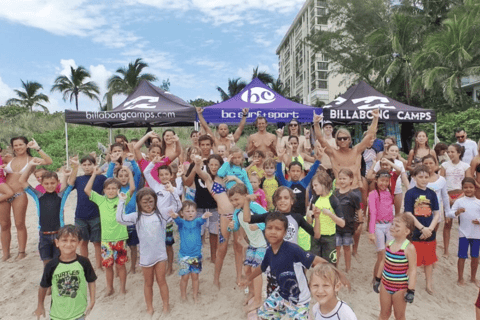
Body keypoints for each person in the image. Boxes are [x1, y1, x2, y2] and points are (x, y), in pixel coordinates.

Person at [240, 212, 347, 320]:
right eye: (269, 228)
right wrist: (249, 278)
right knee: (265, 316)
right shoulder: (269, 251)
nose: (273, 232)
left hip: (298, 299)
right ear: (264, 230)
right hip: (281, 293)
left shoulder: (293, 250)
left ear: (285, 233)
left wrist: (339, 275)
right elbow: (262, 267)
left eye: (278, 229)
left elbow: (318, 261)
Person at [116, 188, 172, 315]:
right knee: (148, 283)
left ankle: (166, 306)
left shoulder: (161, 214)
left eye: (151, 201)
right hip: (146, 256)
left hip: (160, 255)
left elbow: (177, 206)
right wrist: (122, 201)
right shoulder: (136, 217)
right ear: (139, 203)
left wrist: (173, 191)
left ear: (155, 201)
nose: (148, 205)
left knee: (162, 281)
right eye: (144, 202)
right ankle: (149, 308)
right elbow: (120, 219)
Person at [191, 154, 243, 288]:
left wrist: (236, 178)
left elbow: (245, 189)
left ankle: (238, 276)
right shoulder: (209, 180)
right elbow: (199, 172)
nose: (213, 167)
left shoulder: (228, 178)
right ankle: (216, 279)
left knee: (238, 246)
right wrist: (197, 163)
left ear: (221, 166)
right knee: (222, 248)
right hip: (224, 216)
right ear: (208, 165)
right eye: (211, 165)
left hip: (238, 215)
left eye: (216, 165)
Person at [314, 110, 379, 213]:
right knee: (341, 221)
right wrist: (316, 124)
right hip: (340, 191)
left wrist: (375, 119)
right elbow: (320, 139)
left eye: (345, 138)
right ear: (337, 141)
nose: (342, 140)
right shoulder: (333, 153)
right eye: (340, 139)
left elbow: (370, 135)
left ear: (350, 140)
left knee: (358, 220)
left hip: (355, 189)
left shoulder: (357, 150)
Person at [85, 168, 135, 296]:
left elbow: (132, 189)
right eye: (108, 188)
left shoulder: (122, 199)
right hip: (106, 240)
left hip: (120, 238)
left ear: (118, 190)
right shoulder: (101, 200)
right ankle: (109, 288)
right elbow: (87, 190)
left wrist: (130, 174)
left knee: (120, 265)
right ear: (104, 190)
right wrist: (94, 174)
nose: (111, 191)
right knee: (108, 266)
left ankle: (122, 288)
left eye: (114, 188)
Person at [1, 137, 52, 261]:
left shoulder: (32, 160)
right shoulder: (8, 158)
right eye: (16, 145)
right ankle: (6, 254)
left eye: (21, 144)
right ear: (12, 147)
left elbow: (48, 161)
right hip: (3, 193)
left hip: (19, 194)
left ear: (26, 145)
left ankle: (21, 252)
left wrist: (37, 148)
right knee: (4, 225)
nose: (18, 147)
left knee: (19, 224)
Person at [20, 157, 77, 266]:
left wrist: (75, 166)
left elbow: (71, 182)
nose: (50, 185)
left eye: (52, 183)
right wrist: (30, 165)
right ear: (41, 183)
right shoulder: (38, 196)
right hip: (43, 235)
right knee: (46, 262)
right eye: (47, 183)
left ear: (57, 183)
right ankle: (48, 283)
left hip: (59, 235)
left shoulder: (61, 196)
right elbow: (22, 181)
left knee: (59, 262)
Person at [34, 225, 97, 320]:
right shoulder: (51, 265)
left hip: (79, 314)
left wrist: (92, 300)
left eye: (73, 240)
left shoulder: (84, 262)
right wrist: (40, 305)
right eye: (64, 240)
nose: (68, 244)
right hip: (57, 316)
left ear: (79, 243)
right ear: (57, 242)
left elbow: (91, 280)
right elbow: (43, 286)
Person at [228, 184, 268, 313]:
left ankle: (258, 299)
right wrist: (231, 226)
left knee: (256, 271)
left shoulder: (254, 207)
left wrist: (259, 226)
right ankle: (251, 292)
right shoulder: (237, 211)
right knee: (247, 269)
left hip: (263, 244)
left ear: (246, 197)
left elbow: (269, 218)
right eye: (232, 200)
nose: (234, 203)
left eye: (237, 199)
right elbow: (235, 227)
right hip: (253, 244)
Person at [184, 135, 221, 265]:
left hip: (214, 203)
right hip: (198, 203)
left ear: (211, 146)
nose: (205, 147)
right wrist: (196, 166)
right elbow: (188, 183)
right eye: (203, 145)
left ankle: (213, 257)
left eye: (207, 144)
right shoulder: (194, 163)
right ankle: (196, 255)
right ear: (199, 146)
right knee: (198, 231)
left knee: (214, 232)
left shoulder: (215, 161)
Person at [143, 157, 183, 276]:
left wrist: (179, 177)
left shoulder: (173, 189)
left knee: (168, 245)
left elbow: (179, 193)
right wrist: (153, 162)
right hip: (154, 222)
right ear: (158, 176)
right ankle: (157, 265)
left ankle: (170, 267)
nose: (164, 176)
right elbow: (146, 172)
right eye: (161, 175)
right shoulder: (155, 186)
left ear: (171, 176)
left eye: (167, 174)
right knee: (155, 245)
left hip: (168, 222)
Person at [404, 165, 440, 295]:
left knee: (429, 261)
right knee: (412, 260)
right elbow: (408, 213)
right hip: (416, 231)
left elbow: (436, 213)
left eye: (426, 177)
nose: (424, 179)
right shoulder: (410, 193)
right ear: (414, 177)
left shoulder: (432, 193)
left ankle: (428, 285)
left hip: (430, 232)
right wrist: (422, 228)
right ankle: (408, 284)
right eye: (420, 177)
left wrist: (429, 229)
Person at [373, 213, 417, 320]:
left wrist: (411, 290)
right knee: (383, 314)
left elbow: (412, 270)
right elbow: (383, 262)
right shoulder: (388, 244)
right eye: (393, 224)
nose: (392, 227)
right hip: (385, 284)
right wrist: (378, 279)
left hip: (400, 288)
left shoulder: (409, 248)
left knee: (399, 316)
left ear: (406, 231)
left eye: (397, 226)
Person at [106, 153, 142, 274]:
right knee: (120, 246)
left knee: (133, 246)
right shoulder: (115, 189)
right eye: (120, 175)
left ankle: (132, 267)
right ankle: (119, 268)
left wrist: (132, 163)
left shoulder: (133, 186)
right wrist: (112, 162)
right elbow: (108, 176)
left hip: (131, 220)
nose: (123, 178)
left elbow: (138, 173)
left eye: (126, 175)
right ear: (116, 177)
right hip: (119, 221)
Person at [169, 200, 211, 303]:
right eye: (187, 211)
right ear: (182, 213)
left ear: (196, 212)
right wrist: (175, 216)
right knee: (185, 277)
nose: (190, 213)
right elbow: (178, 220)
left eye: (193, 211)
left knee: (195, 276)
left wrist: (205, 216)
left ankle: (195, 295)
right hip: (184, 256)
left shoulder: (197, 222)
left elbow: (201, 220)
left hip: (196, 256)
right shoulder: (182, 223)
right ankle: (183, 296)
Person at [73, 155, 106, 270]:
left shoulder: (101, 178)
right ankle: (85, 265)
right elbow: (68, 183)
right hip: (80, 215)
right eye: (84, 165)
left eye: (89, 164)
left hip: (96, 215)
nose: (87, 167)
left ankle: (99, 265)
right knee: (83, 242)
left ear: (94, 164)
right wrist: (74, 167)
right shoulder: (79, 179)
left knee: (97, 242)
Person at [447, 177, 480, 287]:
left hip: (476, 234)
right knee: (462, 256)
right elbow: (449, 213)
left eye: (471, 187)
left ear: (475, 189)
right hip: (463, 233)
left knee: (475, 257)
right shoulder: (459, 201)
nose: (468, 189)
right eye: (465, 187)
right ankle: (460, 278)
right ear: (462, 189)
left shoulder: (478, 202)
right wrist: (457, 212)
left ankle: (473, 277)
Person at [306, 171, 344, 265]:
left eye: (316, 185)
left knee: (330, 266)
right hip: (315, 238)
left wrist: (330, 214)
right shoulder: (314, 199)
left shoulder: (333, 200)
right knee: (316, 265)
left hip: (329, 239)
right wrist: (309, 215)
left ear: (323, 184)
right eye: (313, 186)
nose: (314, 188)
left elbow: (342, 223)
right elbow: (309, 222)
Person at [440, 143, 471, 256]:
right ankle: (446, 249)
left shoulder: (465, 166)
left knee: (464, 224)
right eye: (448, 151)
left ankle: (464, 249)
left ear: (459, 153)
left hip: (461, 196)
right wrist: (446, 197)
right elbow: (441, 182)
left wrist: (461, 197)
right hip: (448, 195)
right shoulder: (444, 165)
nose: (450, 154)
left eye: (452, 151)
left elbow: (468, 183)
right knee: (448, 223)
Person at [275, 146, 321, 215]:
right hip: (288, 216)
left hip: (302, 216)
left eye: (297, 171)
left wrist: (319, 157)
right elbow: (279, 174)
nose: (295, 173)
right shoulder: (286, 185)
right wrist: (280, 158)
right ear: (289, 172)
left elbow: (312, 171)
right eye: (293, 171)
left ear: (301, 172)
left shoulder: (304, 183)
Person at [368, 169, 395, 280]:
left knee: (390, 254)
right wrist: (371, 232)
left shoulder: (390, 192)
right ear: (376, 180)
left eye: (386, 181)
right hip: (378, 227)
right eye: (381, 180)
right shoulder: (372, 194)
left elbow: (397, 173)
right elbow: (372, 213)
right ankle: (376, 278)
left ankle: (386, 276)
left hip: (389, 225)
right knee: (381, 255)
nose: (384, 183)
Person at [369, 143, 409, 215]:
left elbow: (402, 175)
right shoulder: (381, 161)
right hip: (382, 191)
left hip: (396, 189)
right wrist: (375, 164)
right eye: (392, 150)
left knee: (395, 213)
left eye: (396, 151)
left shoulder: (398, 164)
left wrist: (408, 188)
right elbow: (371, 176)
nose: (394, 152)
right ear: (387, 151)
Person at [334, 169, 362, 272]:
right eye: (340, 178)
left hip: (348, 227)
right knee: (336, 248)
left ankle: (348, 268)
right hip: (336, 226)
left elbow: (359, 211)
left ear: (351, 180)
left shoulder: (354, 196)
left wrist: (360, 224)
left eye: (344, 178)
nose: (342, 181)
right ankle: (335, 267)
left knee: (346, 248)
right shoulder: (335, 194)